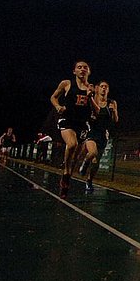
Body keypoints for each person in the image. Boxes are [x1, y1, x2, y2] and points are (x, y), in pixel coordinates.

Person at [50, 61, 95, 198]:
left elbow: (96, 109)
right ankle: (66, 173)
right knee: (72, 144)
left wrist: (91, 97)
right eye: (79, 67)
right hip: (67, 120)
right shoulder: (67, 84)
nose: (82, 69)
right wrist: (58, 106)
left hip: (82, 123)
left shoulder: (92, 88)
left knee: (76, 156)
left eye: (85, 67)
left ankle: (68, 174)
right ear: (74, 71)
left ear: (89, 72)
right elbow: (53, 97)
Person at [79, 81, 118, 192]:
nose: (104, 89)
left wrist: (114, 111)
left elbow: (115, 120)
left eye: (106, 87)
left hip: (103, 134)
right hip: (92, 131)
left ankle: (89, 181)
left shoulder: (112, 102)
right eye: (102, 86)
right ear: (97, 89)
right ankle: (85, 163)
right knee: (92, 153)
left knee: (96, 162)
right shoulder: (91, 100)